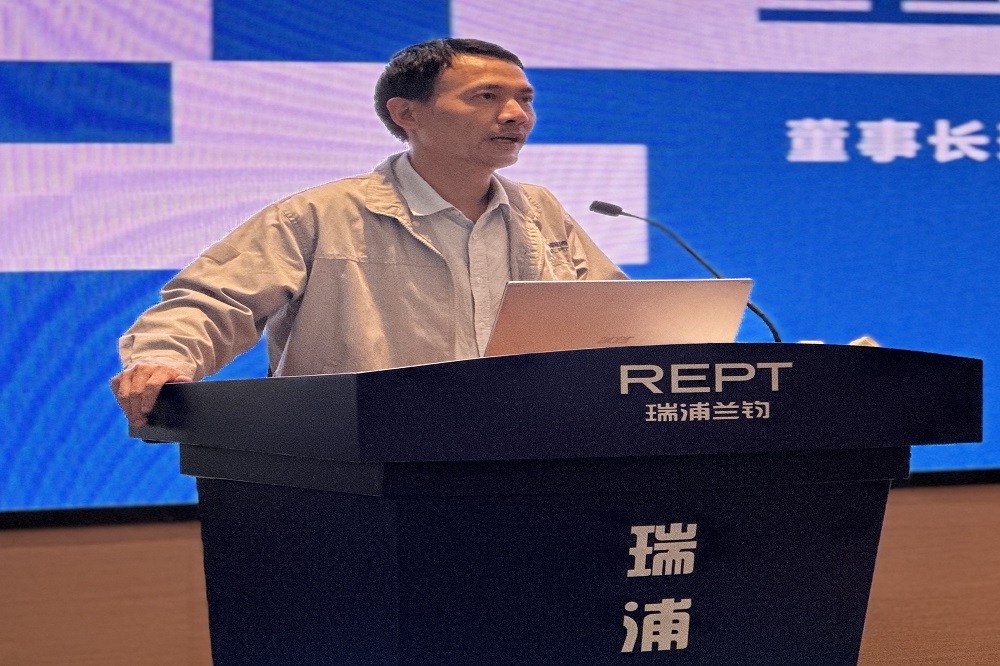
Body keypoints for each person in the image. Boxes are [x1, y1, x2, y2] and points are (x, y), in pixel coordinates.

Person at [112, 38, 627, 427]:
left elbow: (619, 316)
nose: (516, 115)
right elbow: (212, 301)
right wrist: (163, 359)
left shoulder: (539, 210)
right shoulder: (321, 214)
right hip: (365, 449)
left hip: (524, 443)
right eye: (487, 96)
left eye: (524, 99)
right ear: (406, 113)